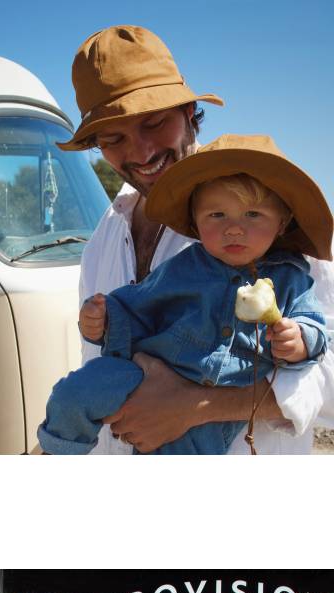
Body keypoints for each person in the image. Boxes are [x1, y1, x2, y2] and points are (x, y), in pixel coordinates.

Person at [57, 25, 334, 453]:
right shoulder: (105, 234)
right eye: (113, 138)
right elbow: (95, 361)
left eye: (154, 122)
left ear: (189, 111)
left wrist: (197, 407)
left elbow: (327, 375)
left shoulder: (266, 210)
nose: (142, 151)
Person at [40, 135, 330, 454]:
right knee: (76, 390)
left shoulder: (293, 277)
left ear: (282, 222)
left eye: (252, 215)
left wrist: (301, 340)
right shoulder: (184, 265)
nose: (234, 228)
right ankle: (60, 448)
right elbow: (138, 306)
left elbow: (314, 325)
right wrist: (104, 319)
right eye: (217, 215)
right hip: (143, 373)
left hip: (221, 402)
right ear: (195, 221)